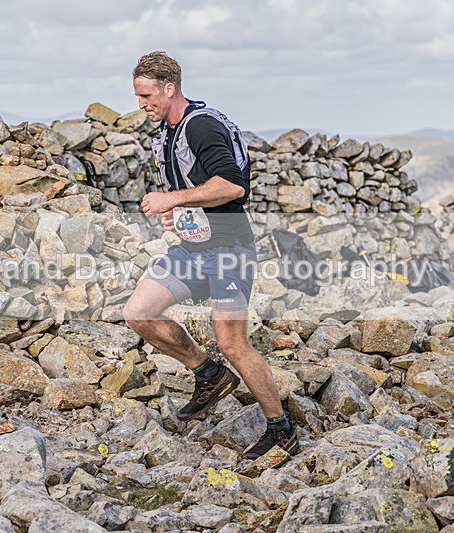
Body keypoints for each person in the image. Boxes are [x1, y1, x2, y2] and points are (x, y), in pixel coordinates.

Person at [122, 51, 298, 460]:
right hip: (191, 248)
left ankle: (280, 428)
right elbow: (197, 196)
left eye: (147, 95)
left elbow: (232, 187)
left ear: (170, 88)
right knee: (139, 313)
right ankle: (209, 374)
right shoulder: (168, 133)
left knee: (233, 343)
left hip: (229, 249)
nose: (142, 104)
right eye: (138, 96)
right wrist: (178, 216)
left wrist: (172, 199)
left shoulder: (200, 126)